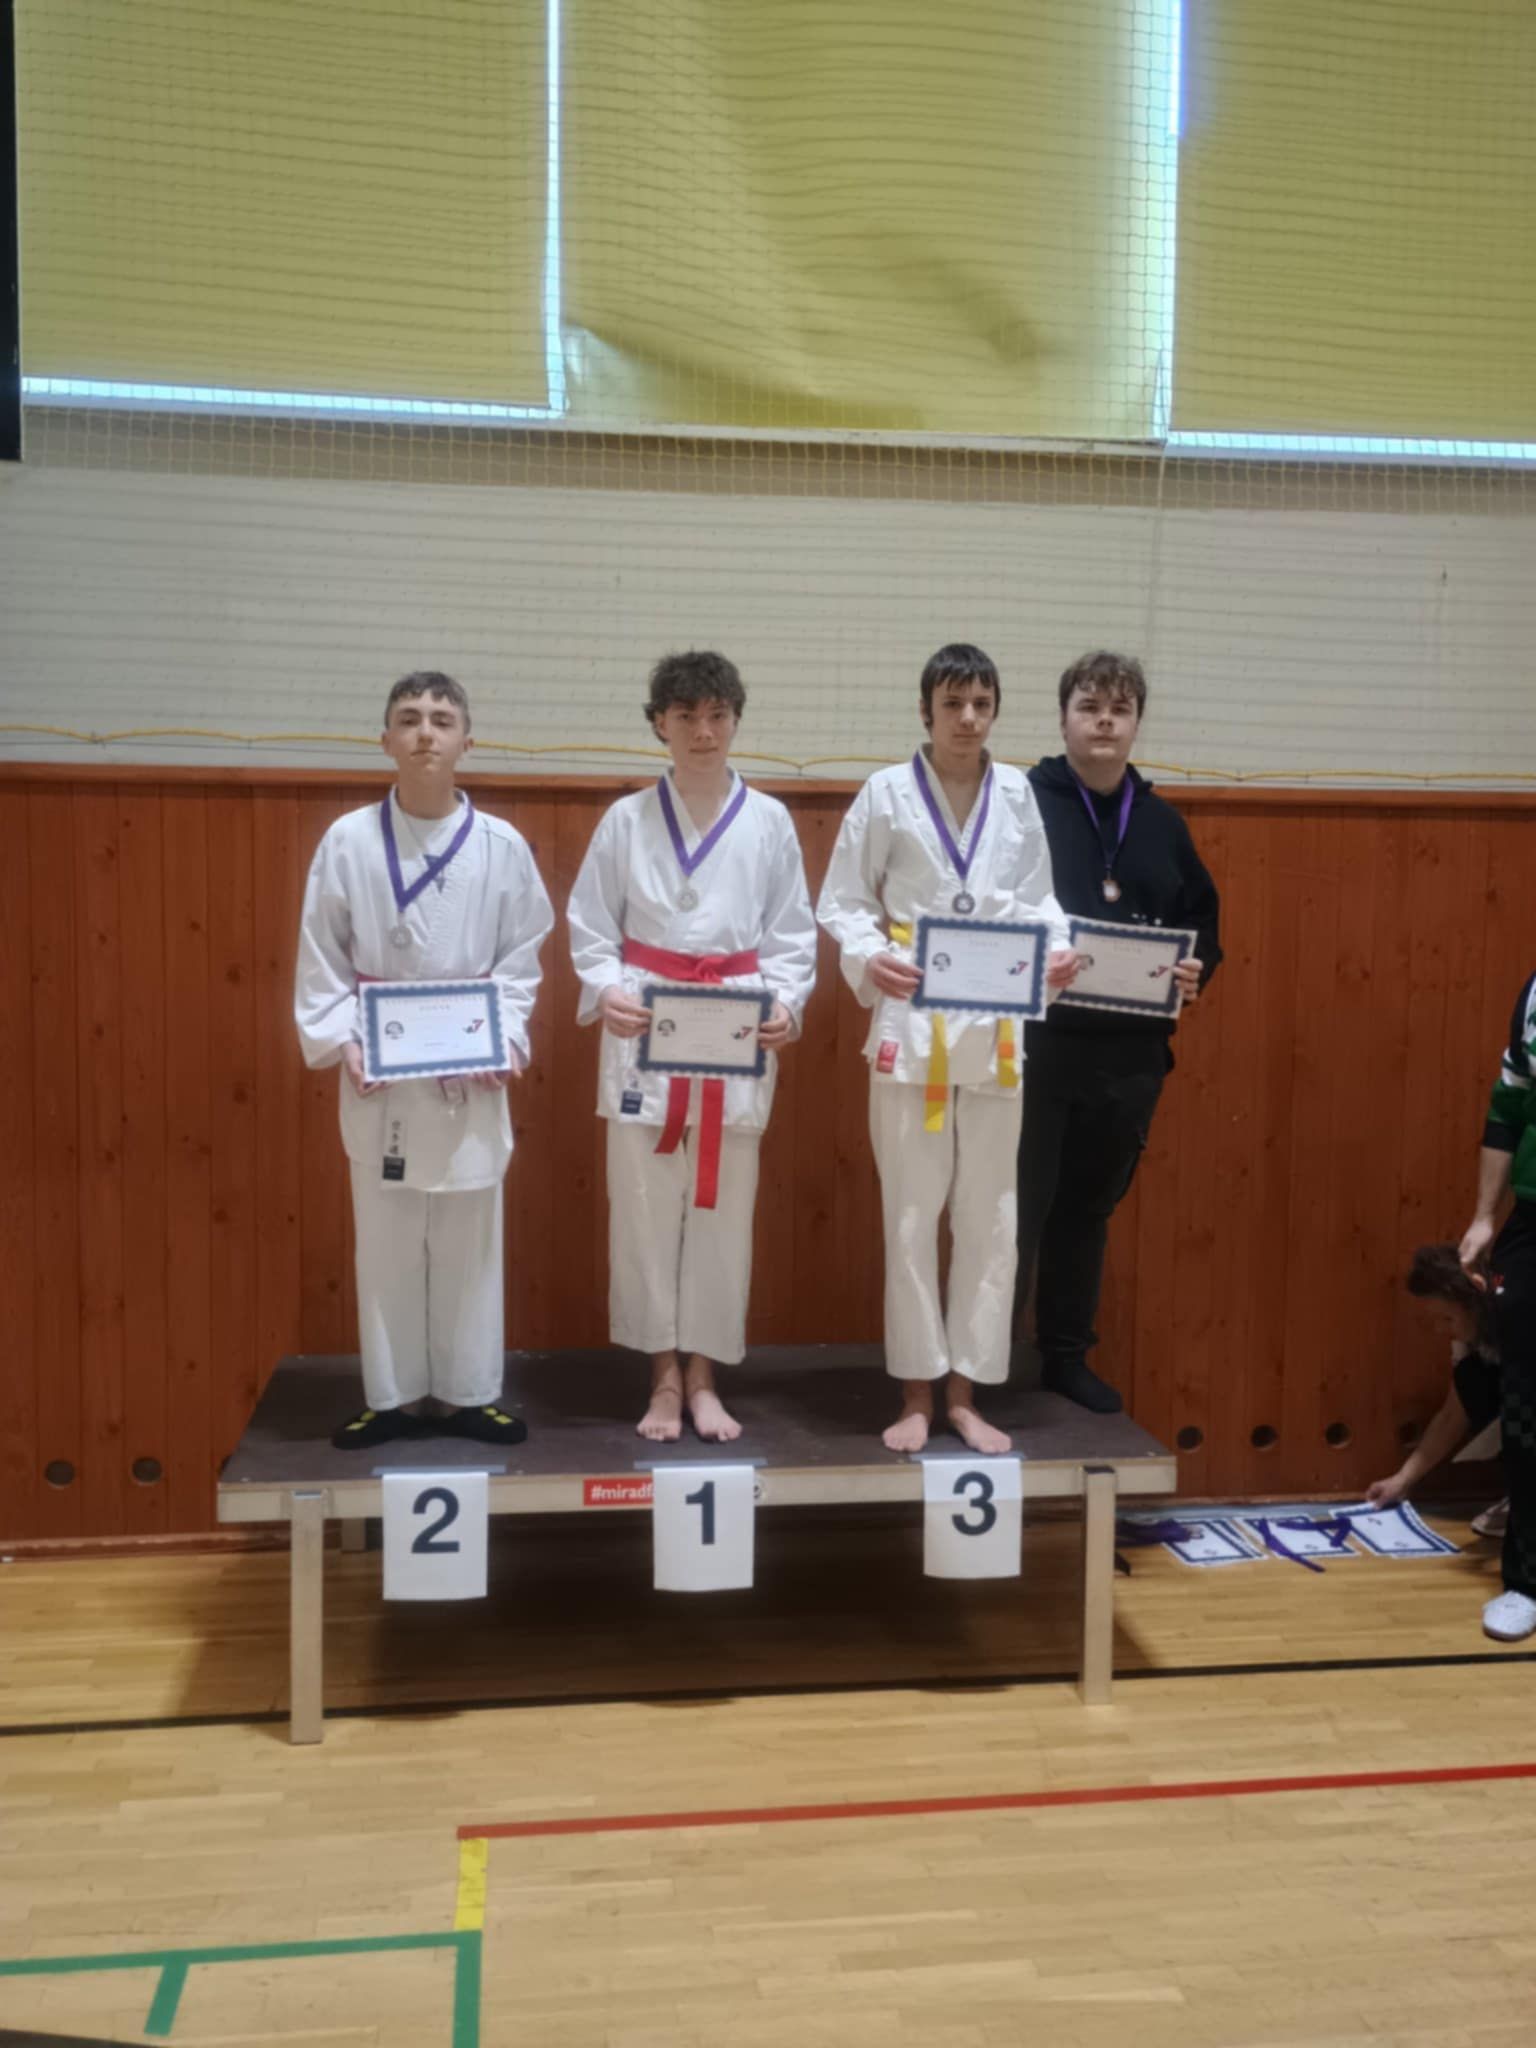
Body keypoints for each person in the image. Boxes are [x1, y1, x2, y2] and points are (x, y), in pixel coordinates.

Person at [818, 644, 1075, 1454]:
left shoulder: (1017, 793)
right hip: (913, 1018)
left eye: (982, 704)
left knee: (991, 1213)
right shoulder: (885, 792)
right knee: (910, 1210)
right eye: (953, 703)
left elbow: (1039, 900)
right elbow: (843, 901)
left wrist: (1057, 952)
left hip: (996, 1022)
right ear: (925, 710)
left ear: (995, 710)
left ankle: (966, 1393)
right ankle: (916, 1392)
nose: (968, 719)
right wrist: (870, 956)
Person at [294, 671, 553, 1449]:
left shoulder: (502, 846)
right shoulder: (347, 841)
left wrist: (506, 1036)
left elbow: (522, 959)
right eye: (409, 719)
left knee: (471, 1236)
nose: (426, 732)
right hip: (382, 1066)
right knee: (386, 1238)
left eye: (442, 719)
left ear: (467, 741)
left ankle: (471, 1394)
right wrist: (344, 1039)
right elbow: (322, 957)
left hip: (466, 1067)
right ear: (386, 741)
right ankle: (392, 1397)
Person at [567, 650, 816, 1444]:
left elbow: (792, 935)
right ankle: (663, 1379)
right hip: (647, 1024)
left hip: (732, 1026)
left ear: (736, 721)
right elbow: (590, 925)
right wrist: (605, 988)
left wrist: (787, 1003)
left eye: (717, 716)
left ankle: (705, 1376)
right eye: (686, 717)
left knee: (722, 1211)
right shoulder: (625, 819)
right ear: (659, 726)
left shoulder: (769, 820)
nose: (703, 732)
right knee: (643, 1211)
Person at [1014, 650, 1222, 1413]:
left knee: (1086, 1211)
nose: (1104, 722)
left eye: (1120, 710)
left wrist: (1197, 972)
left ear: (1135, 724)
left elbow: (1203, 925)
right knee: (1014, 1212)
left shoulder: (1161, 824)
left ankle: (1065, 1358)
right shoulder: (1021, 805)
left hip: (1128, 1057)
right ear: (1063, 717)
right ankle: (982, 1367)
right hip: (1037, 1048)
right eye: (1090, 707)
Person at [1457, 969, 1536, 1638]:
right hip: (1532, 1222)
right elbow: (1509, 1104)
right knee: (1524, 1403)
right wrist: (1486, 1215)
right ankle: (1527, 1582)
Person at [1365, 1245, 1502, 1519]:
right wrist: (1402, 1480)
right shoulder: (1469, 1346)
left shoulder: (1519, 1320)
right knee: (1472, 1379)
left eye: (1447, 1319)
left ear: (1476, 1305)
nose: (1440, 1329)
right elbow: (1453, 1414)